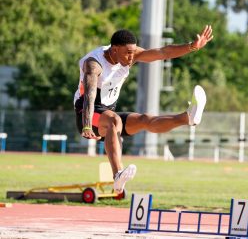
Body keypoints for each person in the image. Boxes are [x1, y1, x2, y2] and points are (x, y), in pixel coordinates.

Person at [74, 25, 213, 193]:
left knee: (145, 120)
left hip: (107, 112)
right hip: (86, 114)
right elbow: (89, 95)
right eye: (128, 53)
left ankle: (187, 118)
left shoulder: (130, 54)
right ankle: (118, 174)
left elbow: (163, 52)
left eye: (133, 52)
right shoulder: (94, 64)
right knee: (114, 120)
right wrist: (87, 125)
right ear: (115, 49)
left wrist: (192, 46)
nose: (132, 57)